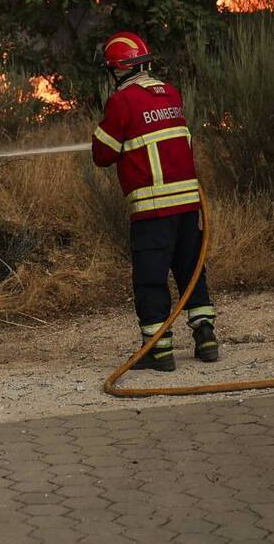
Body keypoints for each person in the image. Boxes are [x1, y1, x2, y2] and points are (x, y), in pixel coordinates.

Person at [90, 30, 217, 371]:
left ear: (119, 69)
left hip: (153, 208)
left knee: (151, 278)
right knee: (191, 270)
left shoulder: (122, 102)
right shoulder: (170, 93)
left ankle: (158, 351)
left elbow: (102, 154)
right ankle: (206, 338)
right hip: (189, 205)